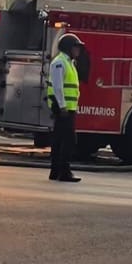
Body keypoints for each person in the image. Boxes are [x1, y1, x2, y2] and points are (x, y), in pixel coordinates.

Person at [48, 33, 83, 183]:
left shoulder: (68, 62)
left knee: (59, 139)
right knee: (68, 140)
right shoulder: (60, 62)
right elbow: (57, 87)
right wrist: (62, 106)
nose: (78, 50)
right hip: (63, 108)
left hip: (66, 107)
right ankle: (64, 172)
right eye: (76, 47)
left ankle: (55, 171)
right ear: (68, 48)